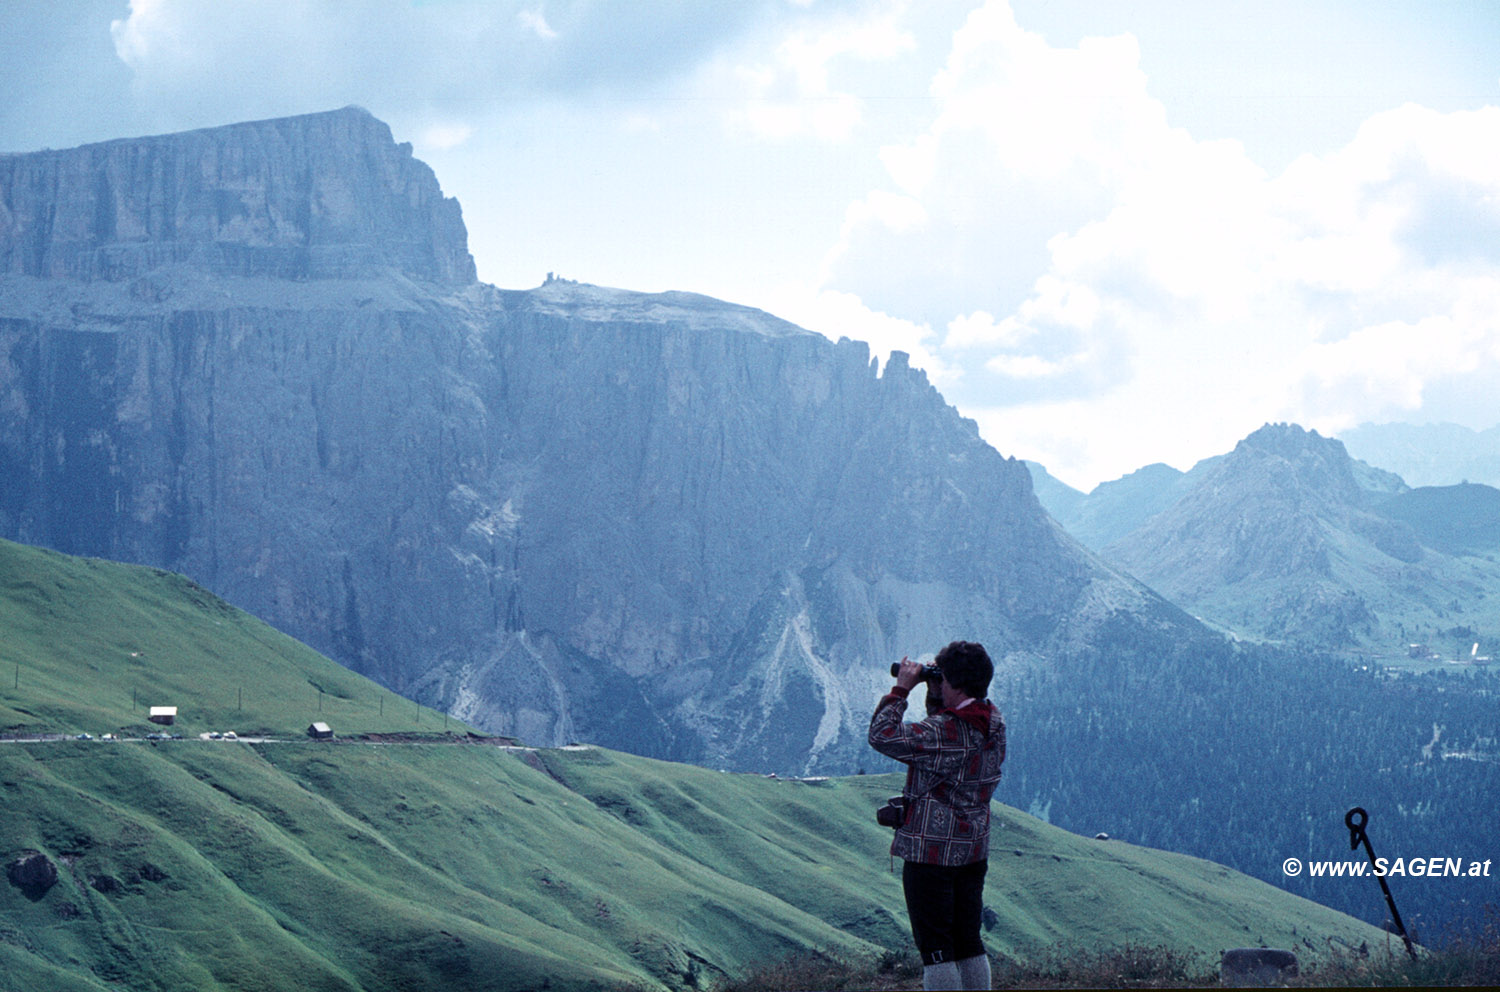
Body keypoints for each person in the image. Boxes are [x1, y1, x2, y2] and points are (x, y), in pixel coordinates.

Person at [869, 641, 1006, 991]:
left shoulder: (947, 731)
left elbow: (882, 736)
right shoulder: (993, 720)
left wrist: (901, 689)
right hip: (973, 848)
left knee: (935, 950)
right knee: (968, 940)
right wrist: (934, 691)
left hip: (931, 853)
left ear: (954, 682)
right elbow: (941, 734)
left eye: (942, 679)